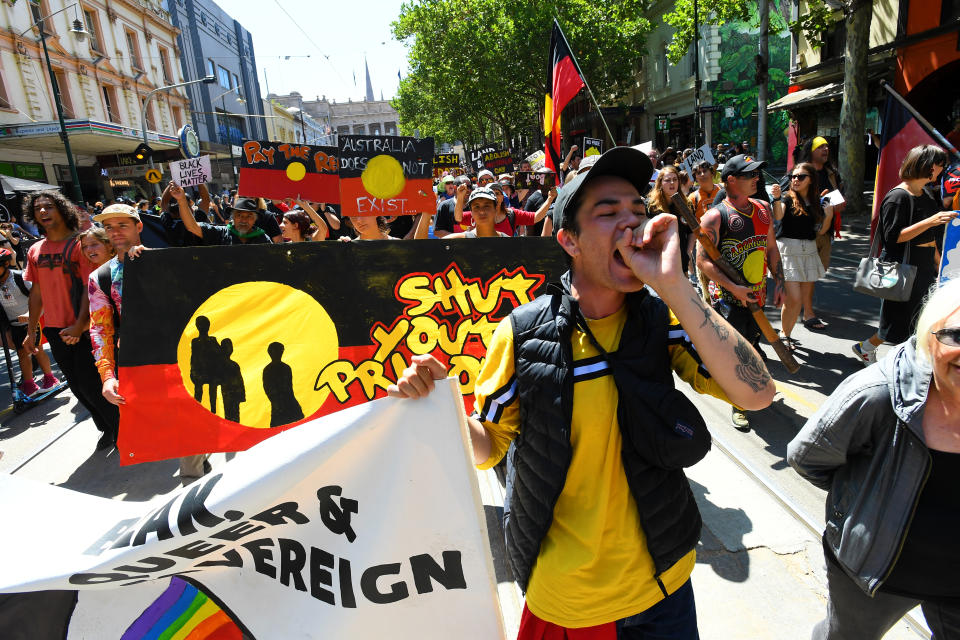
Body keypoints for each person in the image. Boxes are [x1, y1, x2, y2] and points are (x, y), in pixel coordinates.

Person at [389, 146, 775, 638]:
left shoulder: (662, 317)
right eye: (608, 213)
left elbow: (758, 394)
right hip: (570, 598)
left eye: (638, 210)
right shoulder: (522, 335)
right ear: (568, 240)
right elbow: (488, 449)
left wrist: (675, 286)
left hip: (666, 585)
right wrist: (440, 403)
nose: (631, 224)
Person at [788, 279, 960, 640]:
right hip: (874, 574)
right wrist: (862, 503)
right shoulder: (877, 394)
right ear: (930, 336)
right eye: (956, 336)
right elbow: (808, 457)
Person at [21, 191, 119, 450]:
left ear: (61, 210)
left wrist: (80, 325)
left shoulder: (80, 245)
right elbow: (37, 293)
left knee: (92, 384)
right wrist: (32, 331)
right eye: (38, 208)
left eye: (49, 206)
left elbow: (91, 286)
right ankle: (107, 429)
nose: (43, 211)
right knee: (77, 387)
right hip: (55, 330)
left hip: (84, 328)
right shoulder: (34, 250)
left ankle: (121, 430)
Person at [697, 154, 784, 431]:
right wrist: (733, 286)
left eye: (757, 174)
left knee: (754, 344)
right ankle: (739, 404)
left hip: (758, 295)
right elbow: (702, 261)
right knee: (738, 353)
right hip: (729, 299)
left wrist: (779, 283)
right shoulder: (715, 216)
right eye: (750, 175)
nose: (756, 179)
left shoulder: (762, 209)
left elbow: (771, 248)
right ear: (731, 180)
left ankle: (749, 392)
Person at [853, 145, 957, 365]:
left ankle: (875, 351)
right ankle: (880, 355)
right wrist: (931, 220)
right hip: (903, 267)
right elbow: (893, 237)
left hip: (925, 265)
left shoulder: (927, 194)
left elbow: (931, 237)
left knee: (918, 319)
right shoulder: (898, 197)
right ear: (927, 166)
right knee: (897, 323)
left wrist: (939, 265)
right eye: (940, 165)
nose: (942, 170)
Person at [771, 163, 834, 347]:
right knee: (794, 299)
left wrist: (828, 216)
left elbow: (821, 231)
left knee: (798, 301)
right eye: (793, 176)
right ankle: (784, 334)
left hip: (809, 251)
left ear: (811, 179)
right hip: (788, 251)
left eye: (801, 176)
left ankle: (786, 334)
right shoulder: (787, 199)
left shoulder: (815, 201)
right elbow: (778, 216)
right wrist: (776, 198)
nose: (795, 180)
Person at [0, 248, 60, 397]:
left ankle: (50, 377)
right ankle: (29, 384)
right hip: (14, 324)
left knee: (35, 348)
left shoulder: (20, 278)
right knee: (22, 353)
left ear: (6, 264)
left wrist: (29, 314)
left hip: (32, 320)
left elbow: (40, 298)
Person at [175, 186, 273, 246]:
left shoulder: (263, 239)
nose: (244, 220)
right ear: (233, 217)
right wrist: (181, 200)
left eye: (249, 216)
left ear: (254, 219)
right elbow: (192, 227)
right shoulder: (221, 233)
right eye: (239, 215)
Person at [646, 165, 692, 275]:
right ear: (660, 183)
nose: (672, 183)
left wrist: (688, 252)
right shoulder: (651, 206)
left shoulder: (686, 204)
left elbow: (691, 231)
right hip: (658, 261)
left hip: (681, 260)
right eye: (667, 180)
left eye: (675, 179)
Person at [444, 188, 510, 239]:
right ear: (471, 212)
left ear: (495, 209)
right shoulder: (455, 242)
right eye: (477, 207)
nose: (482, 211)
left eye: (487, 206)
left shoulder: (508, 242)